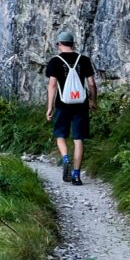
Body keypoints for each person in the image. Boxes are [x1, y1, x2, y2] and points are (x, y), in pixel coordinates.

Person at [45, 29, 98, 185]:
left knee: (60, 134)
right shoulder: (84, 60)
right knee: (78, 138)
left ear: (59, 44)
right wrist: (93, 101)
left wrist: (49, 107)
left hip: (62, 104)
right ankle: (76, 175)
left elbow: (52, 85)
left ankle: (65, 158)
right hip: (81, 104)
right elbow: (92, 84)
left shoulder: (55, 61)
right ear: (73, 44)